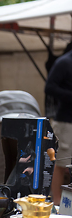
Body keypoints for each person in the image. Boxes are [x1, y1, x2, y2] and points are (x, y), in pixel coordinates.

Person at [45, 48, 72, 205]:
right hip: (66, 122)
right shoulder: (64, 62)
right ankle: (56, 203)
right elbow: (49, 87)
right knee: (60, 164)